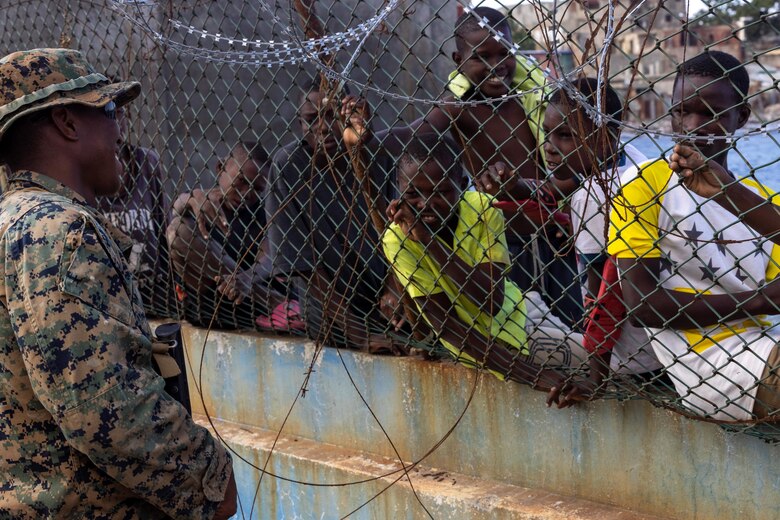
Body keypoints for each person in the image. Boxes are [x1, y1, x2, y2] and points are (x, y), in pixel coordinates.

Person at [0, 48, 235, 518]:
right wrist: (208, 478)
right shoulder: (60, 231)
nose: (119, 128)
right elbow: (106, 410)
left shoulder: (13, 221)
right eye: (108, 111)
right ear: (67, 123)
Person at [346, 6, 583, 326]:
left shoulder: (533, 102)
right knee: (526, 328)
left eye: (504, 53)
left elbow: (572, 167)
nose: (496, 65)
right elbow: (411, 135)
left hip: (555, 237)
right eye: (481, 57)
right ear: (459, 62)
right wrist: (368, 135)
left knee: (573, 325)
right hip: (506, 245)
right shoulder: (460, 109)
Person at [604, 50, 780, 421]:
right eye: (682, 112)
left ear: (740, 117)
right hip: (707, 367)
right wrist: (758, 301)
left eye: (711, 114)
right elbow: (643, 304)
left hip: (764, 345)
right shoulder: (642, 185)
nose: (693, 126)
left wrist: (728, 192)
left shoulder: (763, 201)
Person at [382, 133, 588, 386]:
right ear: (398, 189)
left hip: (520, 307)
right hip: (495, 341)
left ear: (462, 184)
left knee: (599, 351)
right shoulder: (396, 240)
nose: (425, 204)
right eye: (412, 192)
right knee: (603, 364)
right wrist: (532, 375)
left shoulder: (481, 206)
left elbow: (491, 300)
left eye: (441, 191)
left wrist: (429, 241)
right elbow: (447, 326)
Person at [525, 78, 664, 406]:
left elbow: (604, 294)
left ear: (605, 136)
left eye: (565, 136)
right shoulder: (633, 159)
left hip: (628, 358)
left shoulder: (591, 197)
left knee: (528, 317)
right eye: (547, 133)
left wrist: (595, 375)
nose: (549, 146)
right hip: (665, 347)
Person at [264, 78, 401, 353]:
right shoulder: (289, 167)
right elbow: (304, 267)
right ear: (300, 125)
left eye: (332, 116)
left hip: (389, 290)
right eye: (311, 120)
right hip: (331, 307)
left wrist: (395, 288)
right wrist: (361, 335)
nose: (323, 128)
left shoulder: (376, 154)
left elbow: (401, 228)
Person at [167, 141, 294, 330]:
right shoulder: (202, 201)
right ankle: (274, 301)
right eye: (241, 181)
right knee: (177, 229)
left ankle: (270, 300)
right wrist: (192, 198)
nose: (246, 194)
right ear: (220, 168)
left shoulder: (263, 211)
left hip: (248, 303)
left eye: (257, 189)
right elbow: (176, 213)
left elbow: (268, 258)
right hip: (209, 301)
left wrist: (245, 279)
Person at [96, 98, 174, 317]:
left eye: (118, 112)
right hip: (111, 294)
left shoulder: (146, 160)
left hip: (152, 288)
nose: (115, 121)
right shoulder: (88, 170)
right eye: (105, 113)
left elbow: (161, 221)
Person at [670, 142, 780, 245]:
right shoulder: (654, 176)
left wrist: (728, 190)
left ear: (741, 120)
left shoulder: (768, 196)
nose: (692, 126)